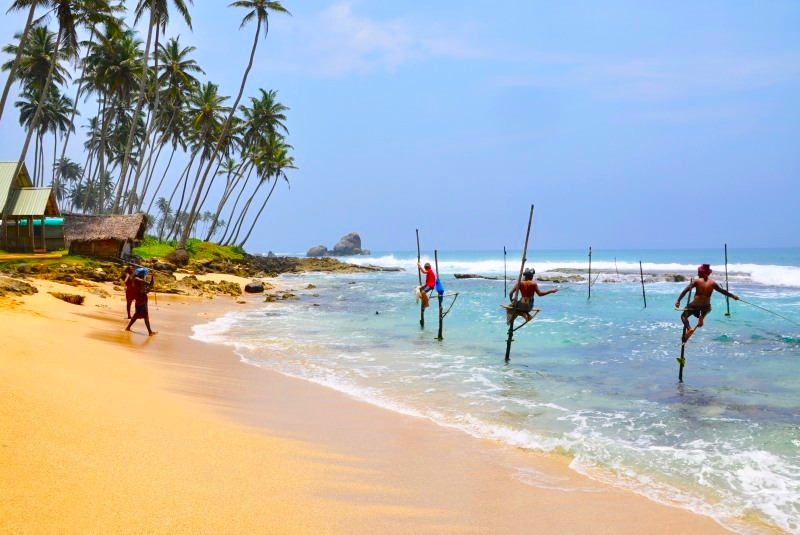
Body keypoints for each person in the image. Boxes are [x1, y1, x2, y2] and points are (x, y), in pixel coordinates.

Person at [675, 263, 738, 342]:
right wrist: (733, 296)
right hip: (706, 305)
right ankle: (702, 316)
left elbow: (686, 290)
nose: (697, 273)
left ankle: (689, 328)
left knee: (683, 316)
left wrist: (678, 300)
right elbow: (723, 291)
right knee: (708, 308)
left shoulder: (696, 281)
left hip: (695, 305)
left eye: (698, 272)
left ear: (701, 273)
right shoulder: (712, 283)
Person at [125, 268, 157, 336]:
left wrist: (152, 276)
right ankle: (150, 332)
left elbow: (151, 284)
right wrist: (146, 276)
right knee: (145, 315)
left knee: (137, 314)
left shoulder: (139, 279)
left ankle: (128, 327)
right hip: (141, 299)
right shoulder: (137, 279)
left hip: (142, 299)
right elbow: (143, 282)